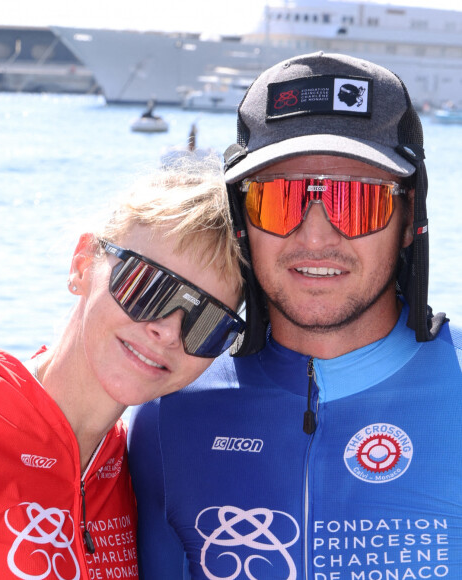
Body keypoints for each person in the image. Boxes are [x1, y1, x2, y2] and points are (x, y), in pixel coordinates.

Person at [128, 51, 462, 579]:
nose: (315, 238)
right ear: (242, 220)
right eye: (278, 201)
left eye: (358, 201)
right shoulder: (167, 417)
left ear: (408, 221)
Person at [0, 159, 245, 580]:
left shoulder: (125, 465)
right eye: (148, 287)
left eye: (207, 322)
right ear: (83, 265)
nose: (166, 331)